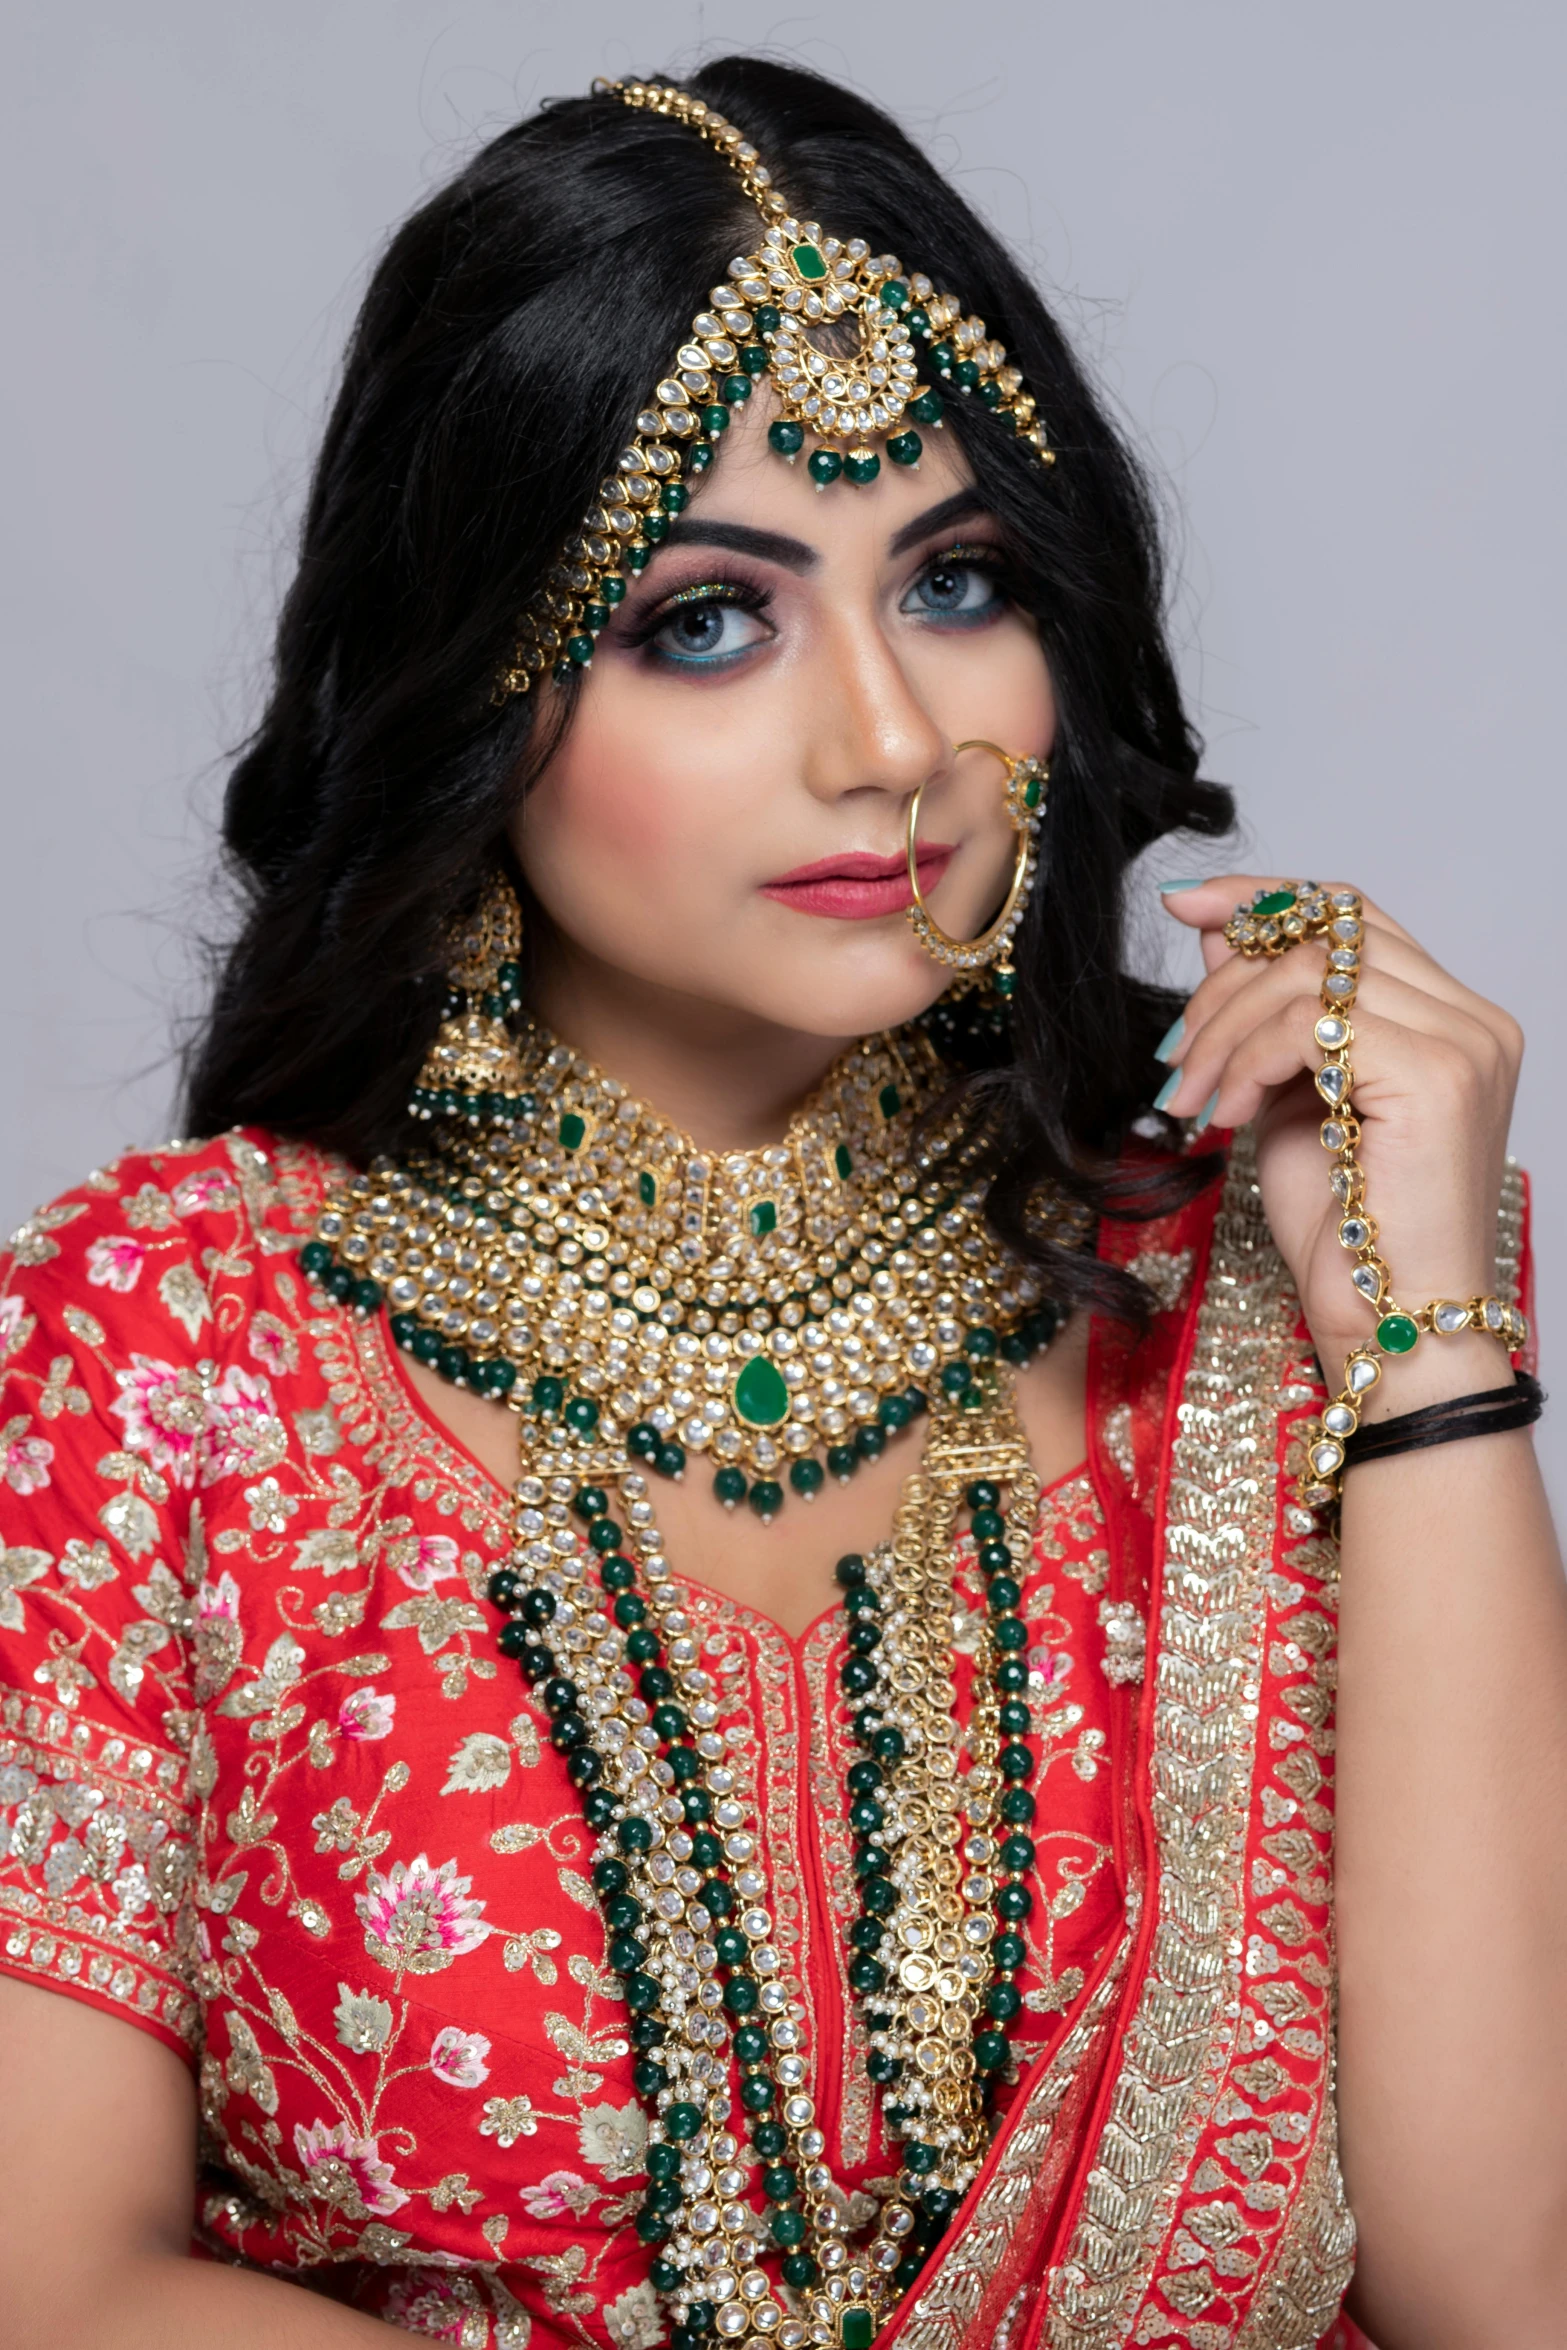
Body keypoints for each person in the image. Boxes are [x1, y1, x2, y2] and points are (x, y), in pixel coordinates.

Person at [1, 54, 1562, 2350]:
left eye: (952, 583)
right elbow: (51, 2276)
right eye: (704, 619)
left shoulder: (1236, 1282)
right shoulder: (166, 1348)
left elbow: (1502, 2285)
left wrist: (1428, 1336)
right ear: (469, 684)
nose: (883, 739)